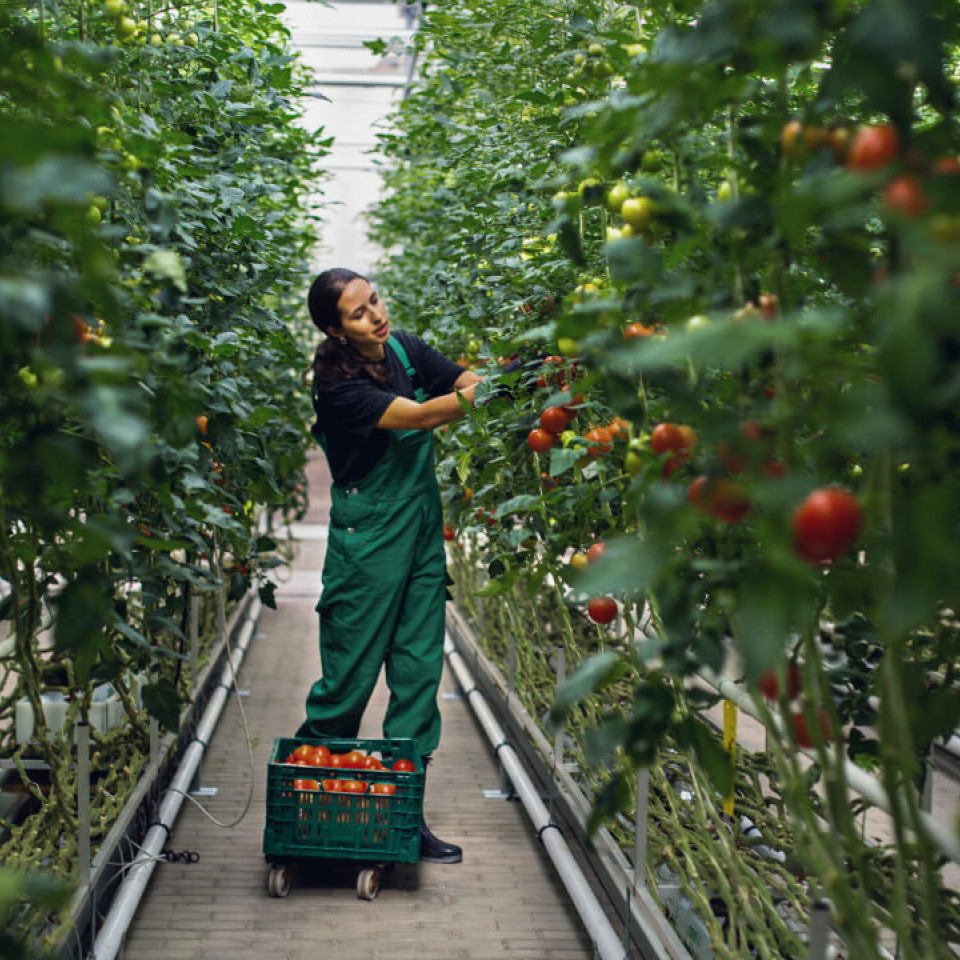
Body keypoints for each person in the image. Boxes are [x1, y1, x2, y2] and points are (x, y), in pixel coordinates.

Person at [296, 267, 481, 864]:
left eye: (373, 300)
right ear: (335, 329)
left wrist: (485, 382)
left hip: (422, 537)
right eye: (358, 313)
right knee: (348, 681)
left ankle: (403, 817)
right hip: (368, 542)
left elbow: (460, 378)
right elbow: (426, 414)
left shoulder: (402, 346)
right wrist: (491, 393)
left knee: (418, 675)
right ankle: (310, 809)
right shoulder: (338, 388)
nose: (375, 314)